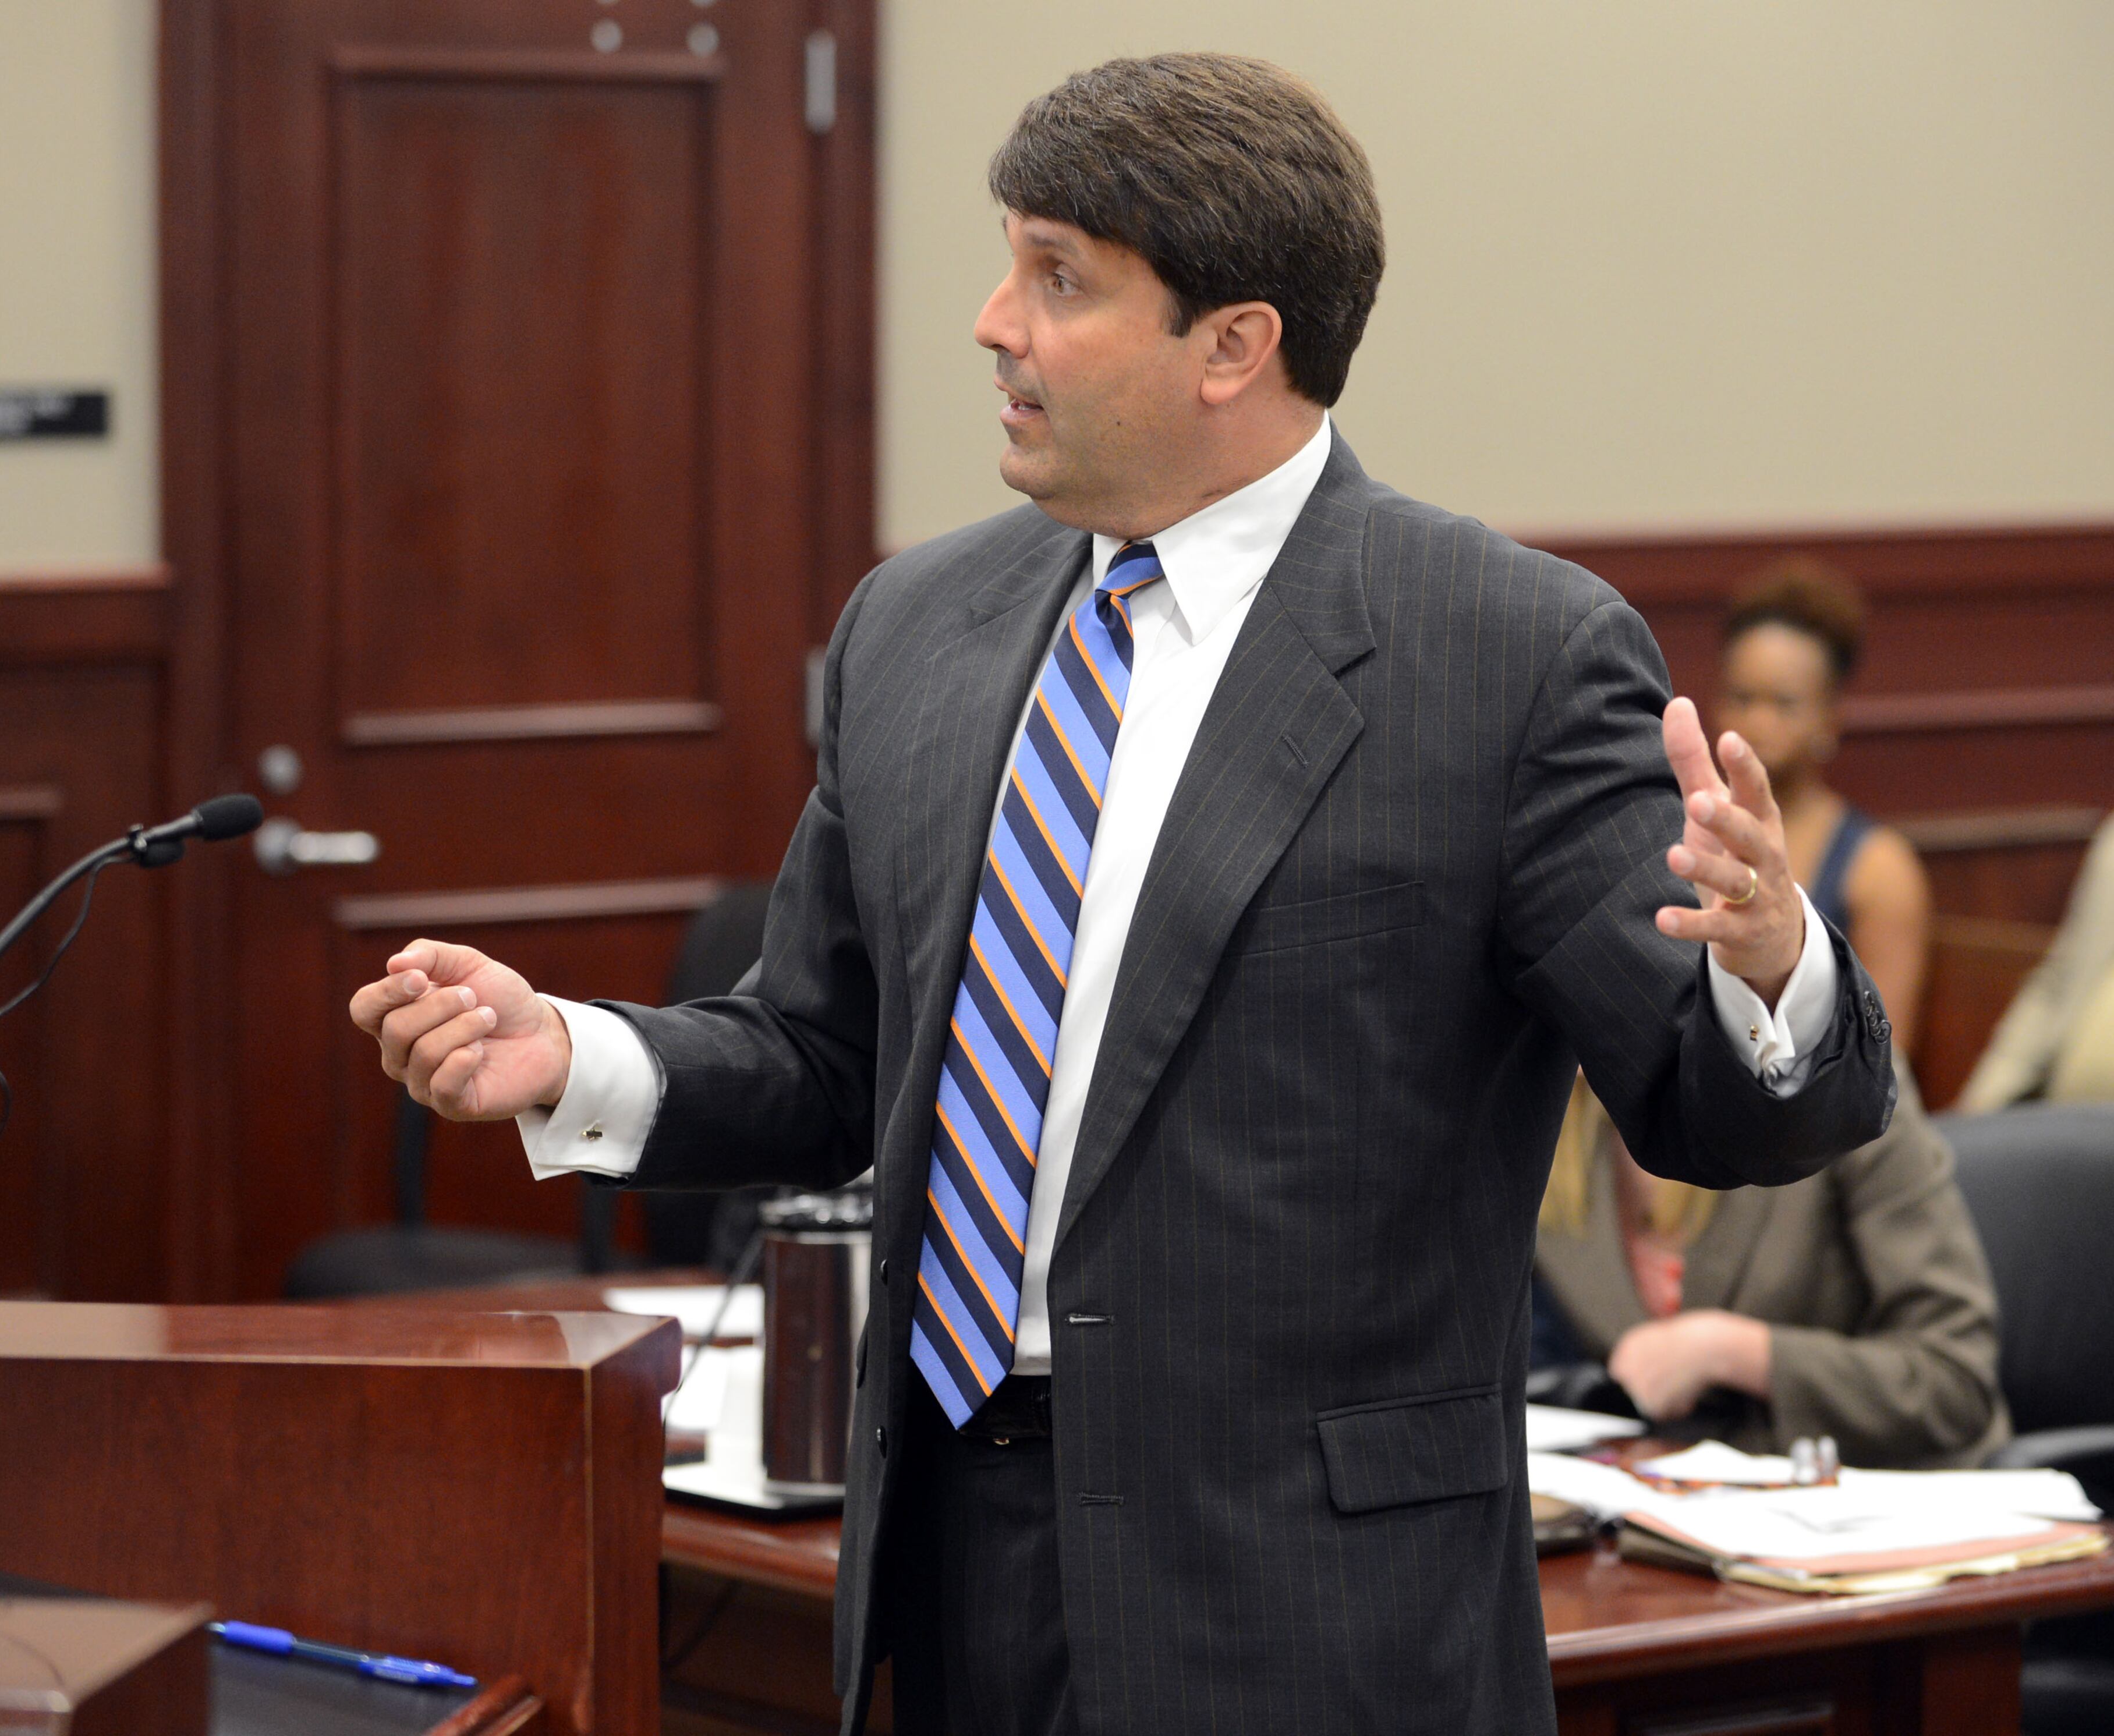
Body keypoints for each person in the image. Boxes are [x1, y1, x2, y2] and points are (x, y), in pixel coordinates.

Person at [349, 55, 1895, 1736]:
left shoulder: (1500, 650)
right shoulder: (914, 627)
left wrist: (1772, 962)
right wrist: (574, 1056)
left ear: (1234, 343)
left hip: (1310, 1604)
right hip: (950, 1551)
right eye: (1010, 261)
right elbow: (821, 1052)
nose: (993, 321)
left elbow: (1712, 1104)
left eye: (1061, 278)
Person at [1534, 1071, 2007, 1468]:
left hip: (1881, 1501)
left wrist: (1737, 1353)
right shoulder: (1536, 1122)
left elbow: (1956, 1381)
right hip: (1668, 1510)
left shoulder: (1841, 1083)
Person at [1718, 559, 1933, 1051]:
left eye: (1784, 704)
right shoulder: (1687, 834)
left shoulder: (1879, 868)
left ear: (1829, 717)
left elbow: (1883, 1055)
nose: (1757, 722)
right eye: (1742, 697)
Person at [1960, 812, 2114, 1109]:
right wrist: (1982, 1102)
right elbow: (2057, 983)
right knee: (1949, 1148)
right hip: (2050, 1109)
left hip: (2093, 1132)